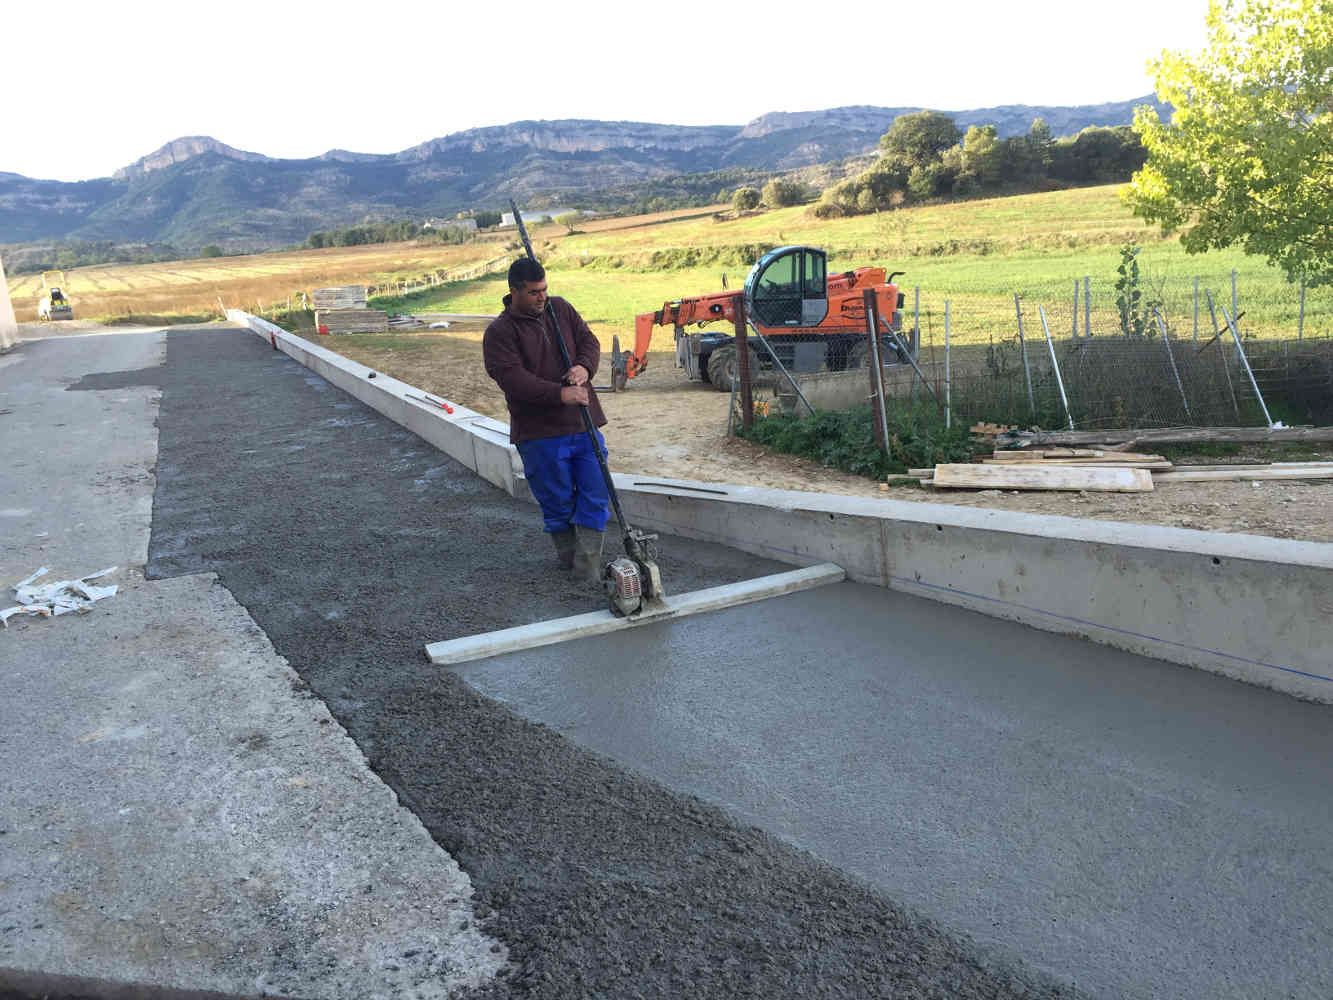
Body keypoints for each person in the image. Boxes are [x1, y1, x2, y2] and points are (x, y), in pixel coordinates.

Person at [483, 258, 610, 582]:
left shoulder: (560, 309)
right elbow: (513, 380)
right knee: (557, 501)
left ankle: (588, 569)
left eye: (545, 290)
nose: (542, 297)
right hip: (539, 434)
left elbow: (589, 341)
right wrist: (559, 394)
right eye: (534, 292)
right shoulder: (499, 333)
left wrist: (584, 367)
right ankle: (569, 560)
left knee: (596, 491)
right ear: (514, 292)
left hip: (583, 424)